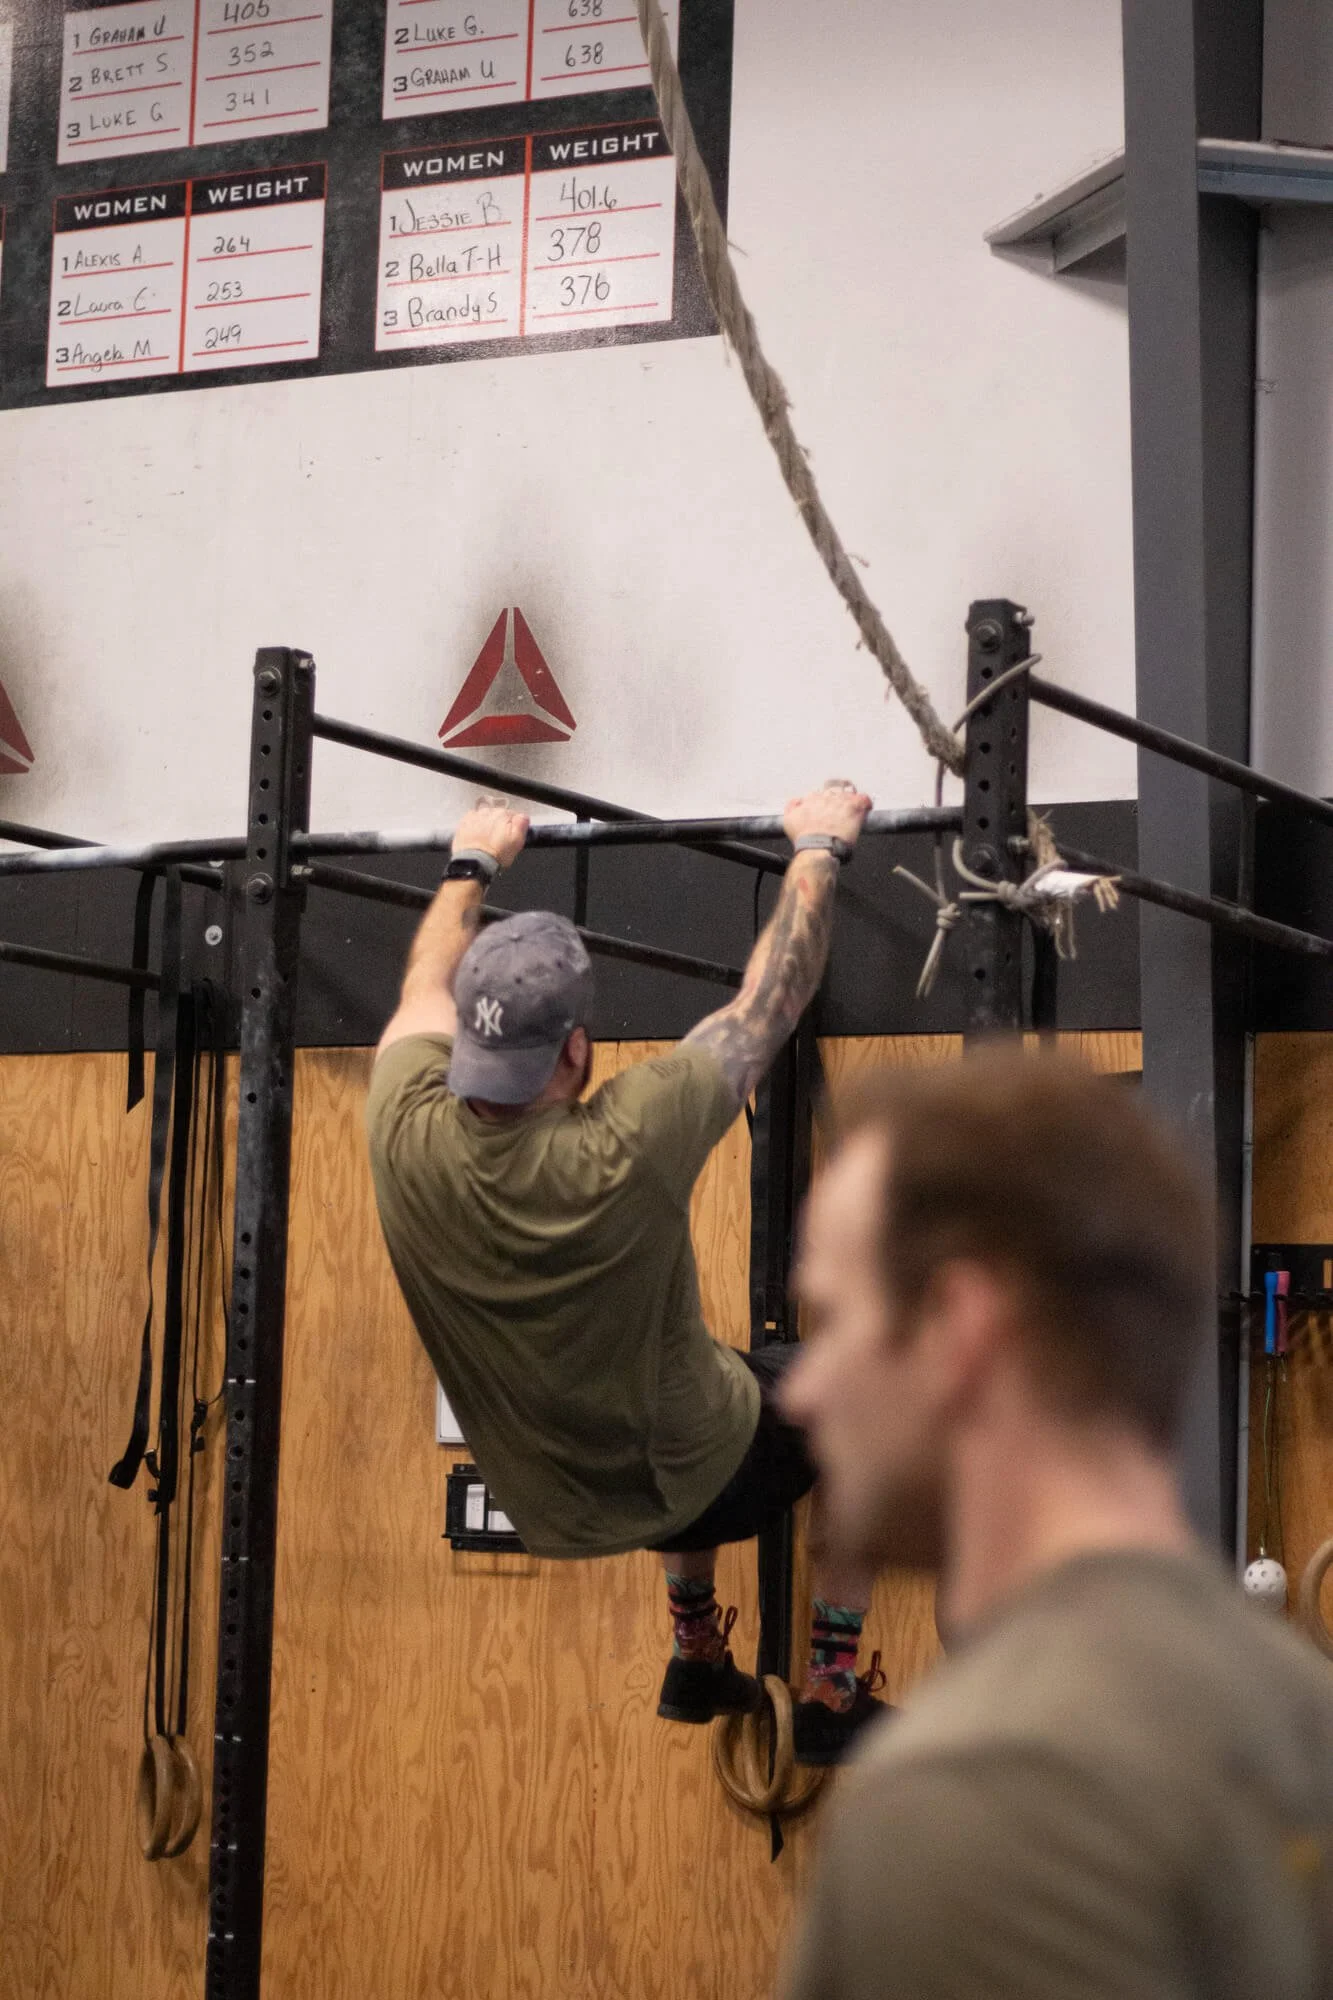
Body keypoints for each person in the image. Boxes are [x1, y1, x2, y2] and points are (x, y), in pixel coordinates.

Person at [777, 1048, 1333, 1999]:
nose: (800, 1391)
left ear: (958, 1329)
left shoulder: (978, 1790)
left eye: (829, 1322)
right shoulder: (1301, 1713)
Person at [366, 781, 885, 1764]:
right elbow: (769, 1002)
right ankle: (830, 1685)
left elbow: (425, 977)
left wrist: (470, 862)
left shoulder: (400, 1116)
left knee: (713, 1373)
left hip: (553, 1499)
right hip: (701, 1474)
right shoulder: (628, 1138)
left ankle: (696, 1653)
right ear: (576, 1049)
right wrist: (819, 848)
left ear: (465, 1041)